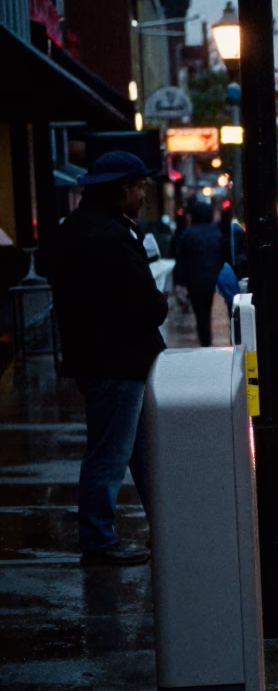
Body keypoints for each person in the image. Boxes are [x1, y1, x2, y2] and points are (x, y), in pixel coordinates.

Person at [50, 151, 166, 566]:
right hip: (119, 362)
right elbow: (149, 306)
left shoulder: (76, 230)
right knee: (110, 454)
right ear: (123, 189)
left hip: (97, 360)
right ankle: (98, 539)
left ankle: (167, 527)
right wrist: (159, 303)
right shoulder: (113, 236)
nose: (141, 196)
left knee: (139, 451)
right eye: (139, 188)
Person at [172, 200, 225, 346]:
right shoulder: (216, 232)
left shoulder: (188, 234)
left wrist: (179, 282)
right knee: (206, 309)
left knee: (200, 312)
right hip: (212, 279)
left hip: (194, 281)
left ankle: (204, 339)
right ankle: (206, 338)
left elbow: (181, 259)